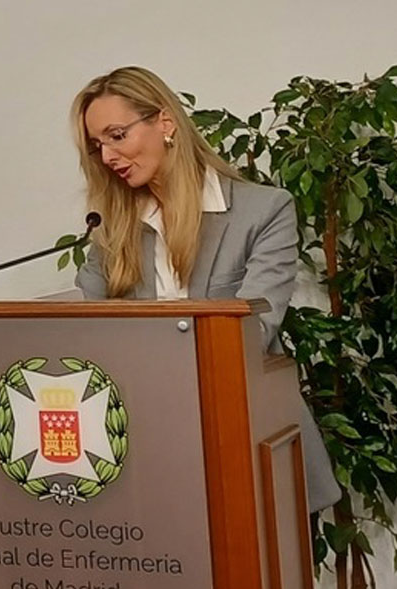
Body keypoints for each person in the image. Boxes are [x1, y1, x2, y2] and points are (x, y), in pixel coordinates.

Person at [70, 66, 339, 509]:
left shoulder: (263, 211)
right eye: (98, 146)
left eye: (117, 135)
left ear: (165, 123)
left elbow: (255, 331)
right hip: (141, 449)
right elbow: (81, 329)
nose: (108, 156)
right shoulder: (112, 226)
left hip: (243, 437)